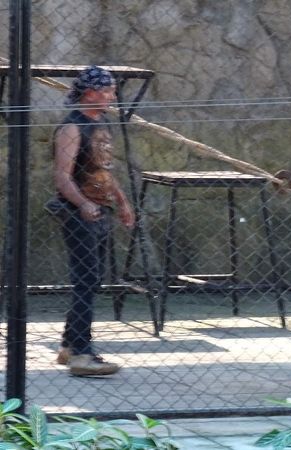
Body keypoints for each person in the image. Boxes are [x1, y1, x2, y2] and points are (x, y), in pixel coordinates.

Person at [52, 65, 135, 376]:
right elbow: (62, 177)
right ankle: (82, 354)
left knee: (93, 279)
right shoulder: (72, 128)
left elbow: (104, 170)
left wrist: (123, 202)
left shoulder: (102, 123)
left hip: (101, 209)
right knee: (85, 280)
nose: (112, 96)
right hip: (78, 213)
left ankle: (68, 346)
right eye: (107, 91)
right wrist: (83, 203)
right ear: (89, 93)